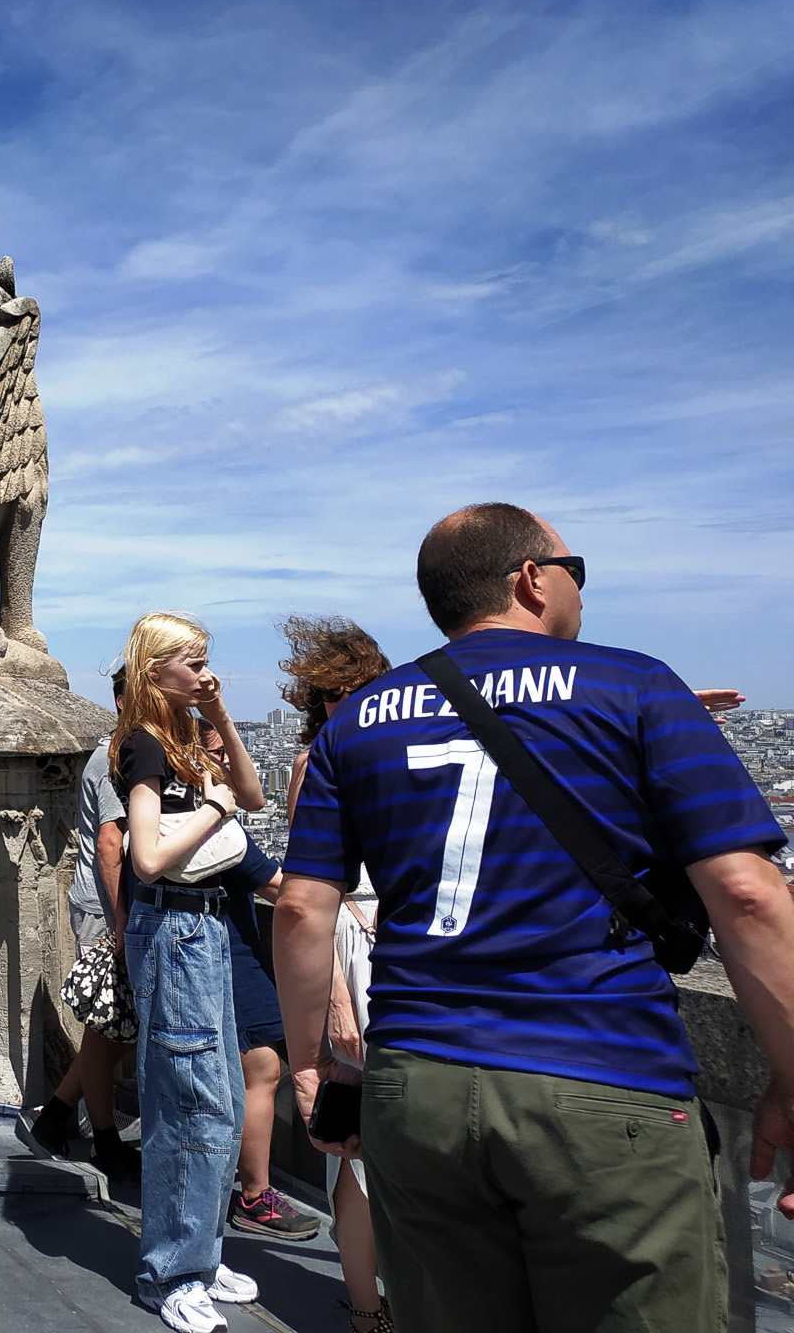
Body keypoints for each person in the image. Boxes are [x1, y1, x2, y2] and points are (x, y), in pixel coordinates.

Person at [272, 503, 794, 1333]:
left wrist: (311, 1063)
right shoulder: (634, 685)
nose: (581, 589)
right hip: (603, 1069)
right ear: (532, 579)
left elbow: (302, 908)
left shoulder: (359, 721)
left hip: (416, 1085)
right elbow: (749, 895)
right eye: (574, 570)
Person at [112, 611, 267, 1333]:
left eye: (207, 659)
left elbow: (254, 797)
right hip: (175, 928)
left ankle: (200, 1255)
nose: (206, 672)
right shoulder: (144, 744)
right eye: (193, 662)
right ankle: (170, 1273)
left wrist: (221, 718)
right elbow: (146, 858)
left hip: (203, 927)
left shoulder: (182, 736)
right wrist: (211, 809)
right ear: (156, 671)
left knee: (222, 1097)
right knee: (189, 1103)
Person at [278, 615, 396, 1333]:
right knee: (357, 1145)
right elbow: (310, 897)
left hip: (393, 943)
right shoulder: (314, 764)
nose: (340, 705)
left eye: (352, 690)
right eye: (328, 694)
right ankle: (366, 1308)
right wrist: (337, 1003)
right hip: (355, 944)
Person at [196, 722, 320, 1245]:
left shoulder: (189, 816)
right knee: (263, 1067)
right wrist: (345, 904)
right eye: (217, 753)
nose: (228, 761)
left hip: (214, 953)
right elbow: (275, 885)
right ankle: (254, 1194)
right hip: (231, 957)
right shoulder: (216, 825)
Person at [29, 667, 137, 1185]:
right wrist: (122, 923)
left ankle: (56, 1115)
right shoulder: (114, 756)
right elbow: (112, 843)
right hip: (106, 909)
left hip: (108, 906)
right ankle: (105, 1141)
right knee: (107, 1029)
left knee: (111, 1029)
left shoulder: (123, 752)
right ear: (121, 700)